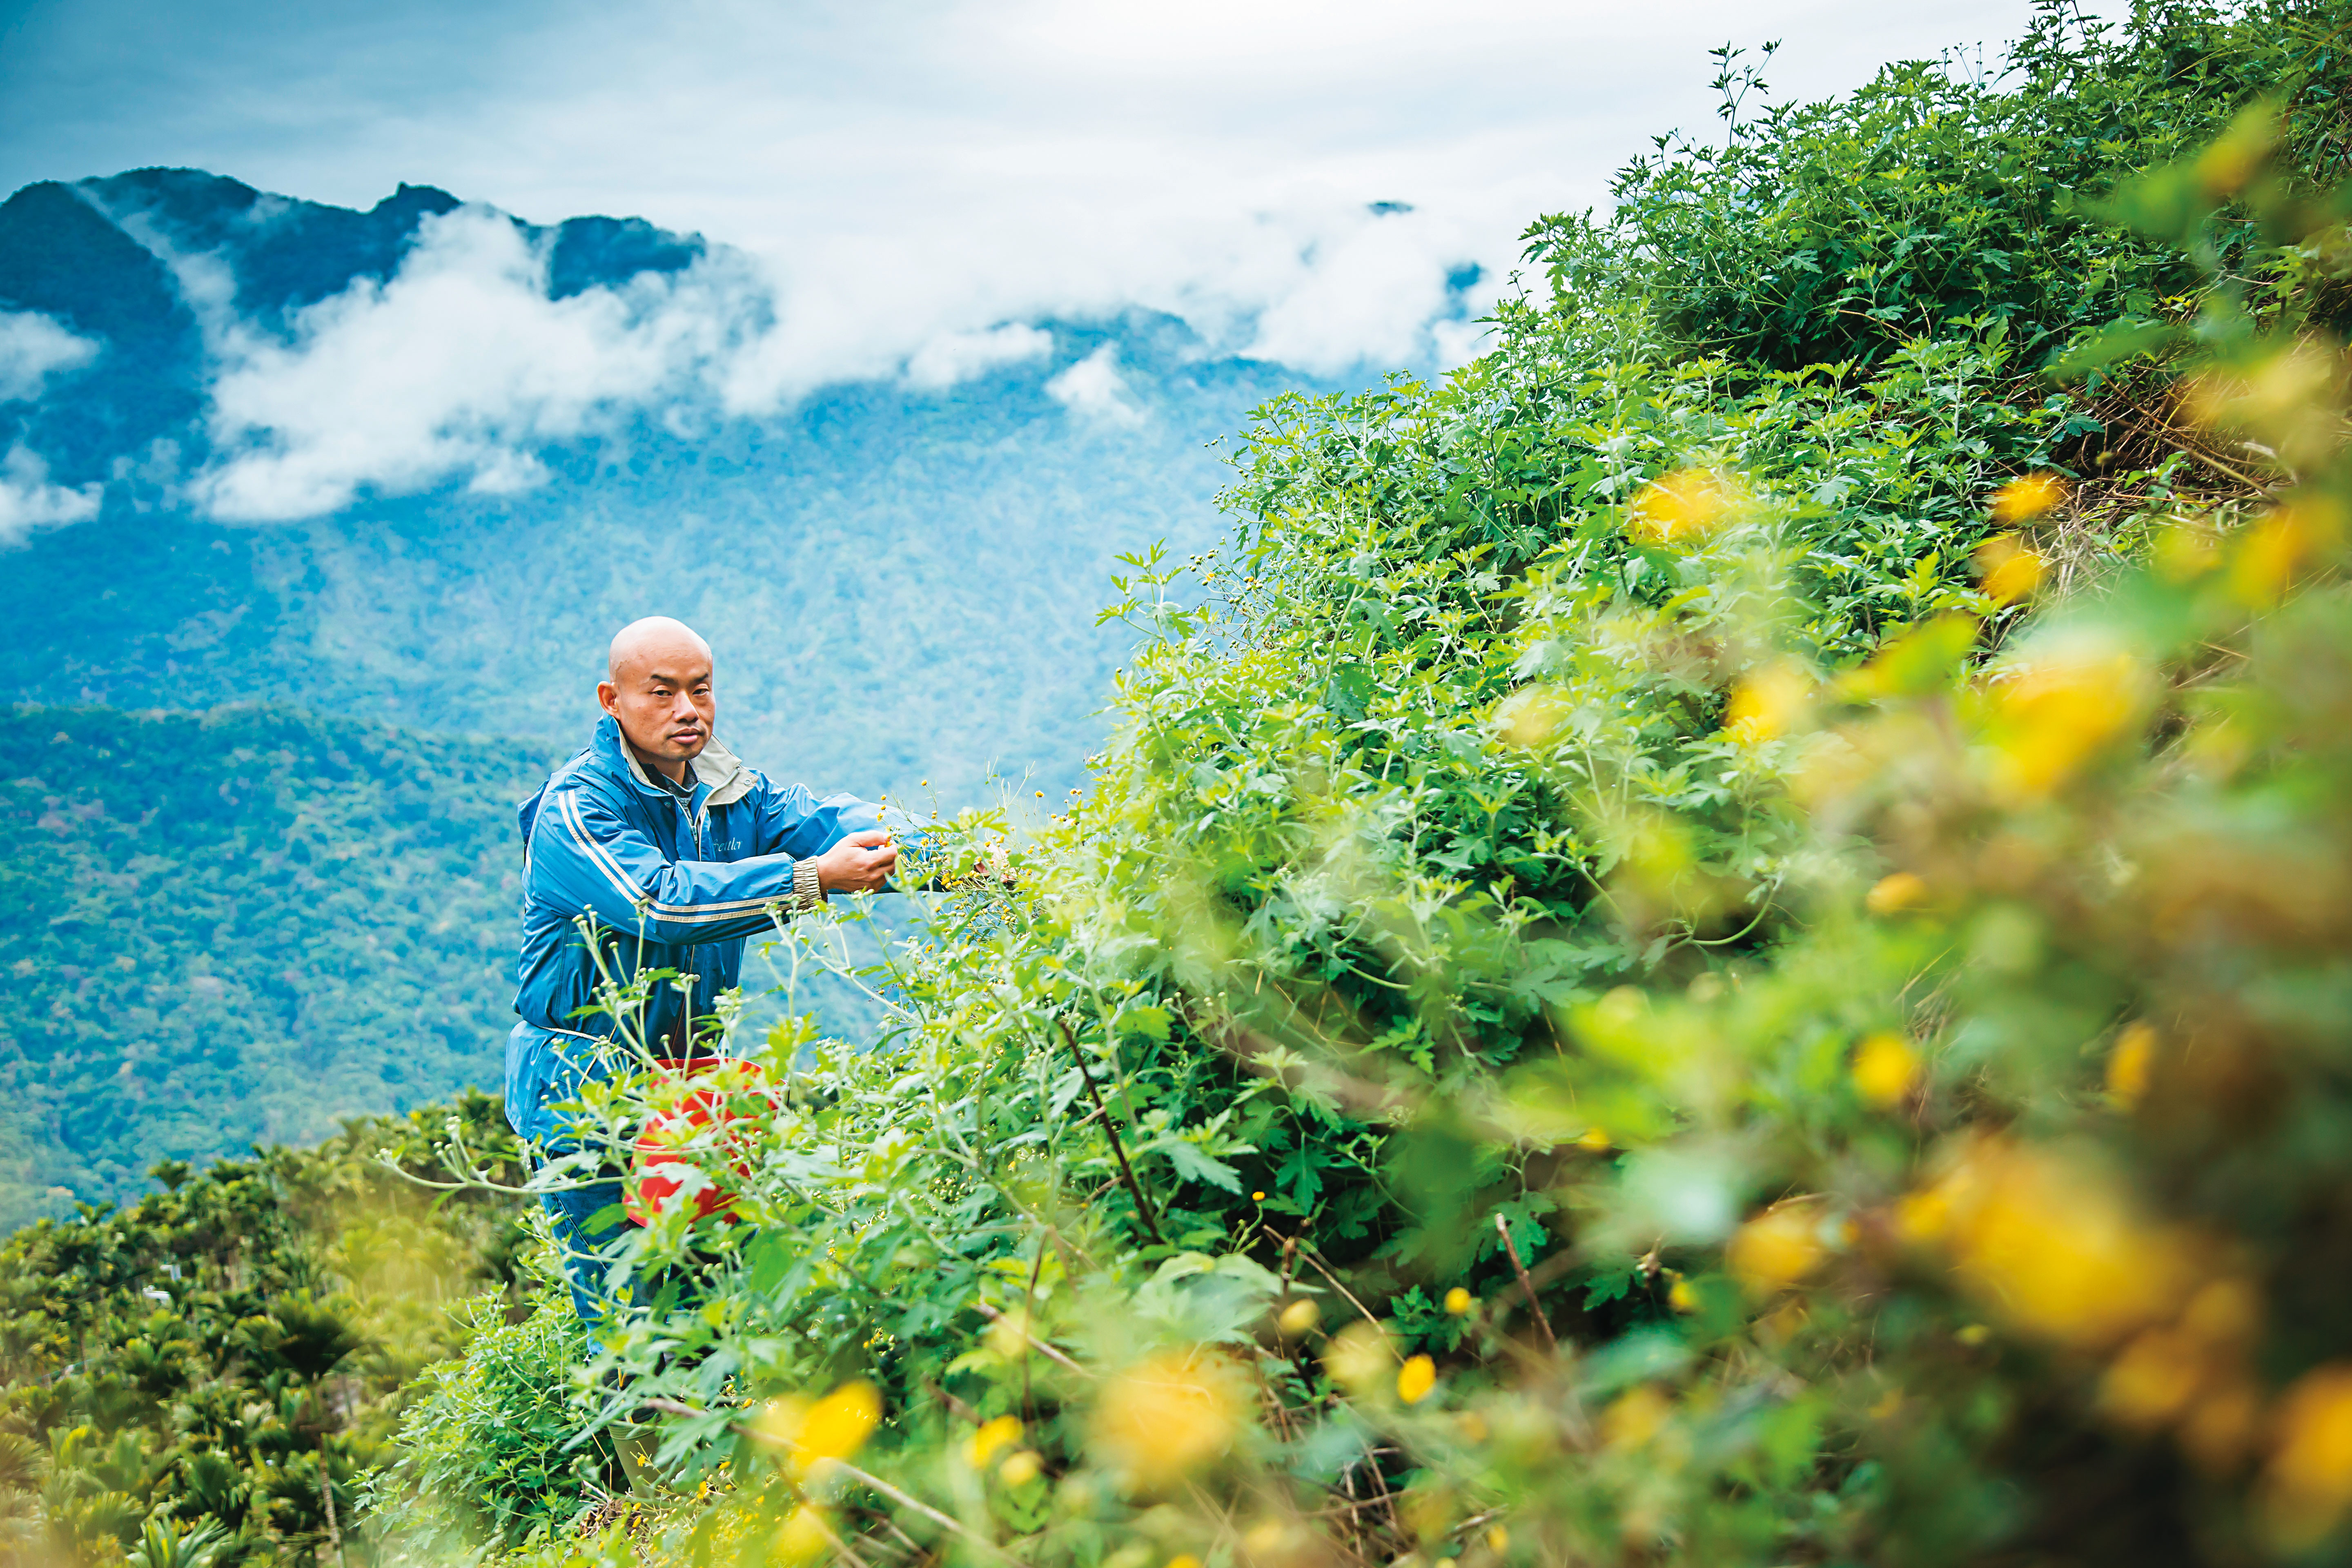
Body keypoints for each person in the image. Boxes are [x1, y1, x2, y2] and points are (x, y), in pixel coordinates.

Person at [504, 615, 909, 1324]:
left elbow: (836, 822)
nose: (687, 711)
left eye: (701, 690)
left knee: (704, 1300)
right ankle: (638, 1438)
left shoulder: (729, 793)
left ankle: (709, 1425)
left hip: (689, 1080)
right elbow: (656, 900)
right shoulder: (578, 805)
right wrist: (812, 879)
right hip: (585, 1086)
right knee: (628, 1314)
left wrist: (973, 858)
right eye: (661, 694)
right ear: (612, 700)